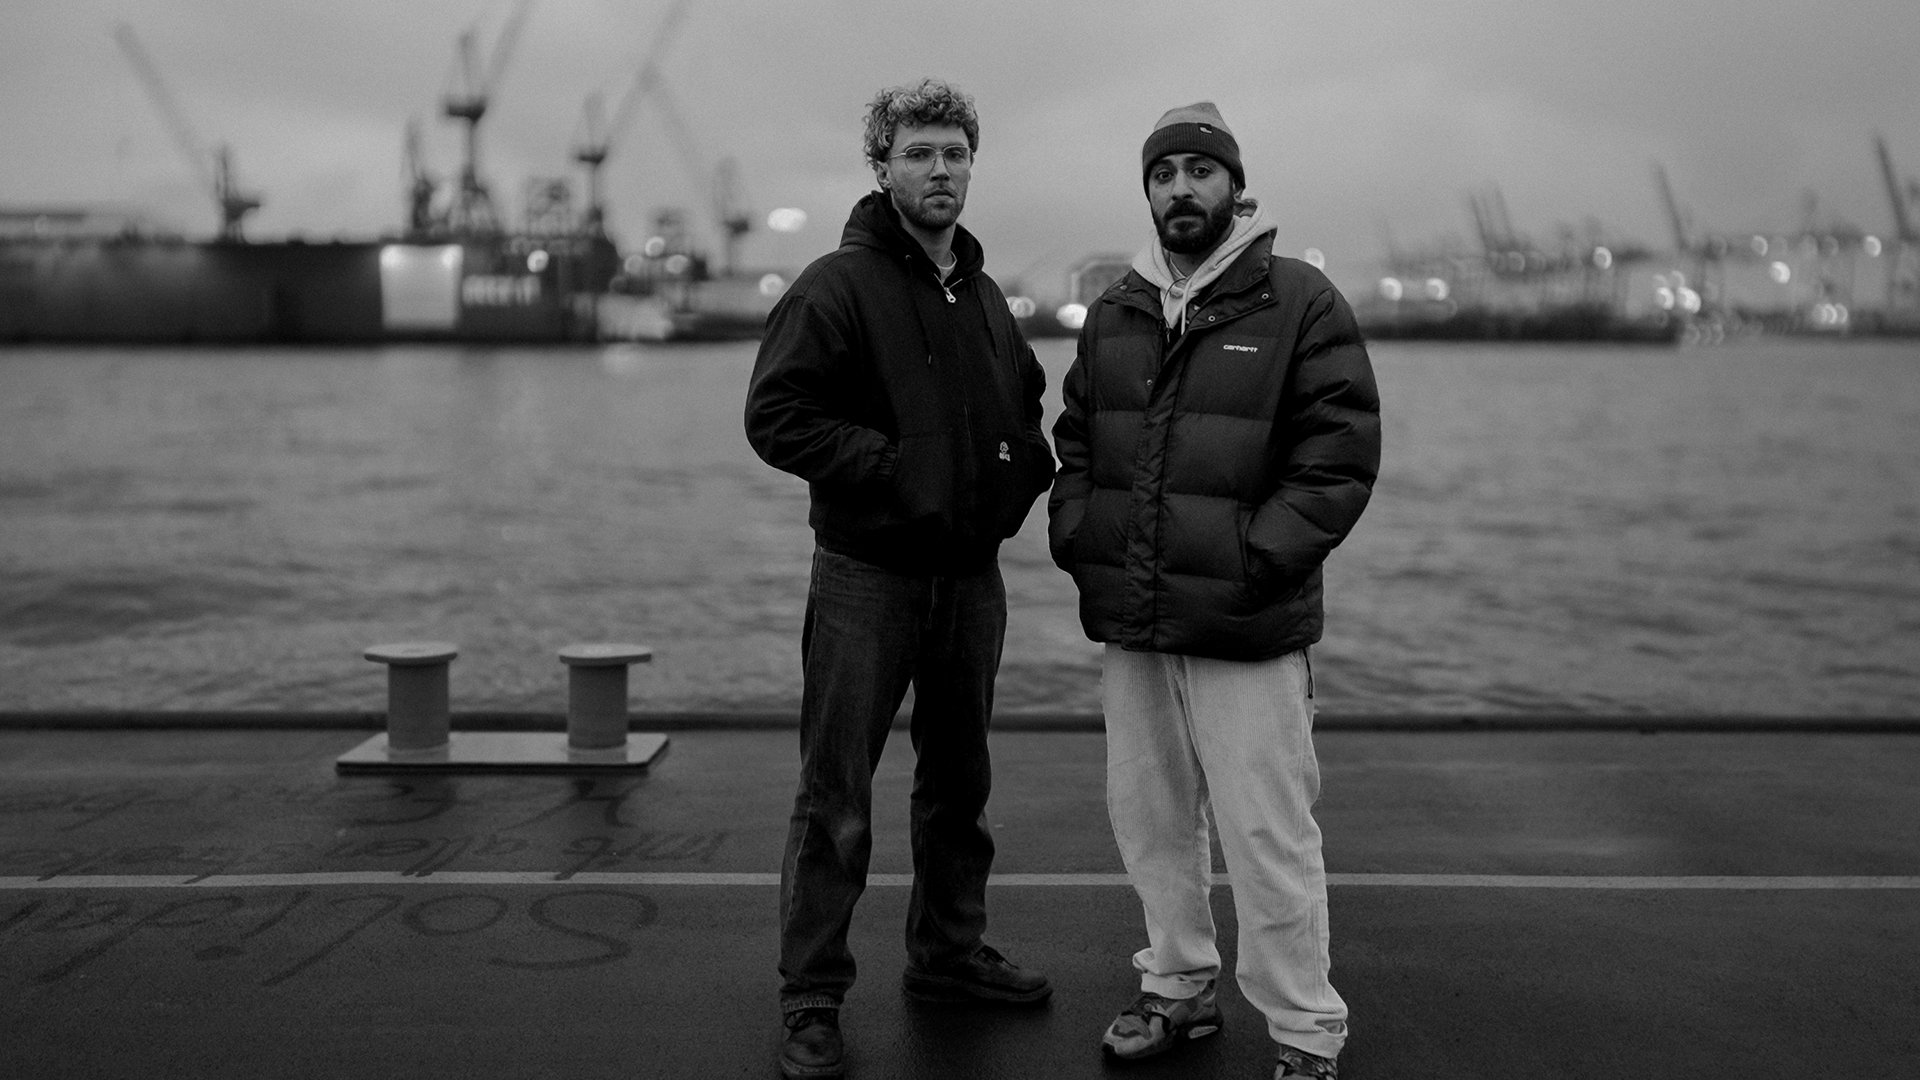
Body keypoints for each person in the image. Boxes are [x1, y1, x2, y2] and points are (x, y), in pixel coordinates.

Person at [1047, 102, 1381, 1080]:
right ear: (1147, 190)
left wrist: (1251, 558)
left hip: (1246, 624)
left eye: (1200, 171)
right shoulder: (1117, 311)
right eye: (1164, 174)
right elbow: (1077, 447)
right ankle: (1178, 988)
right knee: (1150, 820)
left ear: (1235, 185)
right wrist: (1082, 540)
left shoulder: (1298, 302)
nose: (1181, 189)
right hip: (1137, 623)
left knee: (1268, 834)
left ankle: (1305, 1035)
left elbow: (1338, 461)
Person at [745, 77, 1057, 1080]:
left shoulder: (984, 292)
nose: (941, 171)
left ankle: (949, 954)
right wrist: (900, 472)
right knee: (835, 795)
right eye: (920, 153)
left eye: (955, 154)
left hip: (970, 579)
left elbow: (1021, 396)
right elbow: (778, 416)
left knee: (959, 784)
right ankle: (812, 997)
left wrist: (1021, 473)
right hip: (866, 579)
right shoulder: (836, 286)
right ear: (881, 167)